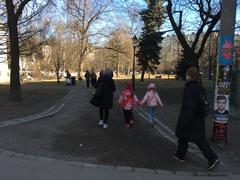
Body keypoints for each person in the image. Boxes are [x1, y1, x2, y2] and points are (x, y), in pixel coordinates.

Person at [173, 67, 219, 170]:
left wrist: (184, 121)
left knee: (198, 141)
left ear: (189, 75)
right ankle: (180, 155)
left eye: (187, 75)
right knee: (183, 137)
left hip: (191, 119)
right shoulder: (200, 87)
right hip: (198, 118)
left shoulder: (189, 88)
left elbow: (188, 107)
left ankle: (212, 158)